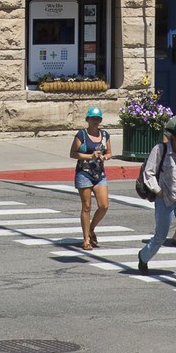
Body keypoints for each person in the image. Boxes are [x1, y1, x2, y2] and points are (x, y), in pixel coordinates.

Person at [135, 113, 176, 284]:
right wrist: (158, 190)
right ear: (173, 138)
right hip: (165, 198)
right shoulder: (160, 150)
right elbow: (149, 173)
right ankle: (143, 256)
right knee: (160, 236)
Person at [70, 106, 111, 249]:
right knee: (86, 206)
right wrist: (89, 156)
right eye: (93, 118)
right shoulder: (81, 135)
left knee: (104, 205)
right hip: (84, 173)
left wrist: (104, 157)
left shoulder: (105, 135)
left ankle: (92, 228)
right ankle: (86, 239)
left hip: (99, 174)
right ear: (87, 119)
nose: (95, 121)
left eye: (98, 118)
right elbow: (73, 153)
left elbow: (109, 153)